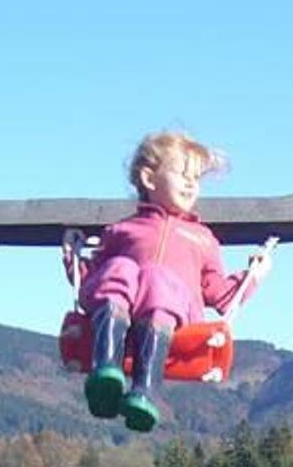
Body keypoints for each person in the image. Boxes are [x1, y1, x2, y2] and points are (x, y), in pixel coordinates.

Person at [73, 131, 272, 433]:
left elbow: (220, 295)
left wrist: (253, 276)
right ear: (149, 179)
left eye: (197, 178)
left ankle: (145, 390)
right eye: (182, 175)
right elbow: (94, 279)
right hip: (121, 306)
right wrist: (74, 259)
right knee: (121, 268)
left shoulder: (203, 239)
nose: (192, 184)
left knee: (158, 278)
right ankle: (107, 370)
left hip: (174, 317)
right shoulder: (122, 230)